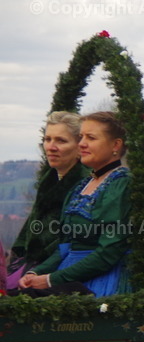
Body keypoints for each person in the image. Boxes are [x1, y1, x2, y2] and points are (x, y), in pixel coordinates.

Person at [19, 111, 133, 296]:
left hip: (101, 279)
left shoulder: (121, 183)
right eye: (80, 137)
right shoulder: (82, 185)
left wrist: (51, 279)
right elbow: (65, 247)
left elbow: (109, 253)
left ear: (116, 144)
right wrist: (36, 272)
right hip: (68, 275)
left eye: (91, 137)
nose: (82, 144)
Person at [6, 112, 91, 290]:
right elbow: (32, 224)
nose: (51, 147)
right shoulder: (50, 178)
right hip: (30, 263)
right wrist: (19, 253)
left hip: (59, 270)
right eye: (47, 139)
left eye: (61, 140)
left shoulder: (86, 183)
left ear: (79, 146)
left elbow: (73, 239)